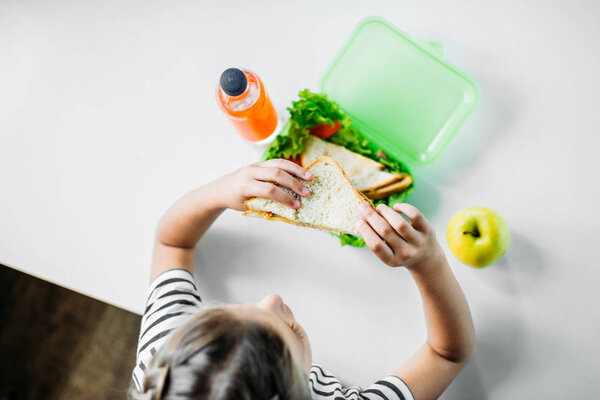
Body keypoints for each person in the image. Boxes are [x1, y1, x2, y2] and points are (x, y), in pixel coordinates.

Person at [129, 159, 475, 400]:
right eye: (288, 332)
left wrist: (224, 189)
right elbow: (448, 354)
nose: (274, 300)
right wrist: (429, 264)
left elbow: (171, 242)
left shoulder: (166, 360)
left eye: (234, 310)